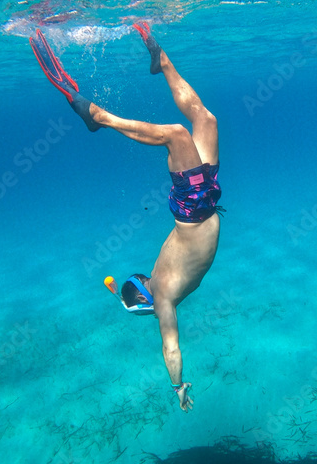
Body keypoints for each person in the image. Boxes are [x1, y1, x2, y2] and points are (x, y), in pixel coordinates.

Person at [30, 23, 224, 413]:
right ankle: (116, 103)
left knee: (178, 134)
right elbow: (170, 345)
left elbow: (153, 318)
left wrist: (126, 294)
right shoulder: (164, 299)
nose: (146, 279)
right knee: (202, 122)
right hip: (200, 205)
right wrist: (178, 387)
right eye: (143, 283)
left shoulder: (160, 286)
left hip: (196, 208)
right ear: (147, 294)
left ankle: (123, 96)